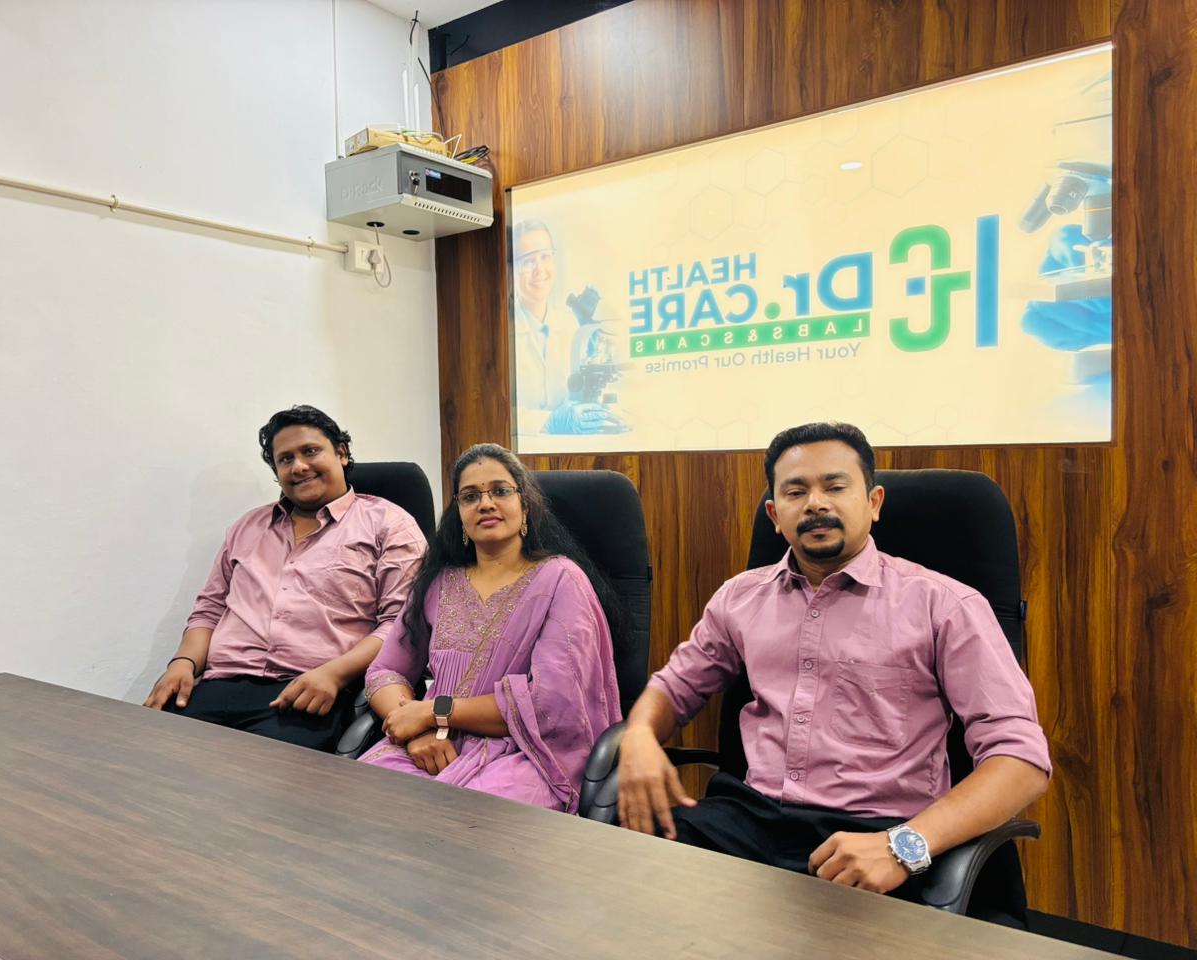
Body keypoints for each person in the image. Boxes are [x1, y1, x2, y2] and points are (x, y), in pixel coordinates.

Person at [615, 422, 1050, 907]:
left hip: (879, 832)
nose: (816, 503)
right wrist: (639, 736)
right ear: (775, 515)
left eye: (835, 486)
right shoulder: (740, 598)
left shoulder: (944, 605)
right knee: (620, 882)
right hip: (750, 822)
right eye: (796, 491)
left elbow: (1021, 760)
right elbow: (674, 687)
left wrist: (903, 847)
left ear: (874, 502)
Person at [143, 405, 426, 751]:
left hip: (311, 692)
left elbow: (400, 625)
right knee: (140, 759)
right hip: (218, 686)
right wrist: (182, 663)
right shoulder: (248, 527)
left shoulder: (389, 525)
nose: (299, 466)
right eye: (285, 459)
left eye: (310, 451)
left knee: (254, 779)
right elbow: (210, 610)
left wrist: (335, 674)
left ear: (342, 453)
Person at [358, 443, 622, 812]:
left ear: (525, 506)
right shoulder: (438, 581)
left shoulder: (560, 580)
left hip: (526, 754)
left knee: (463, 822)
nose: (485, 503)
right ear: (459, 514)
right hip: (431, 745)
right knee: (359, 804)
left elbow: (550, 705)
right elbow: (386, 670)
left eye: (500, 491)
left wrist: (435, 712)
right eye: (470, 496)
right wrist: (414, 730)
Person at [512, 220, 624, 436]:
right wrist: (548, 422)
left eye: (545, 256)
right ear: (512, 270)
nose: (539, 269)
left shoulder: (572, 327)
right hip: (518, 450)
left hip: (567, 448)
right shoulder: (499, 334)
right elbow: (494, 410)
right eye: (528, 261)